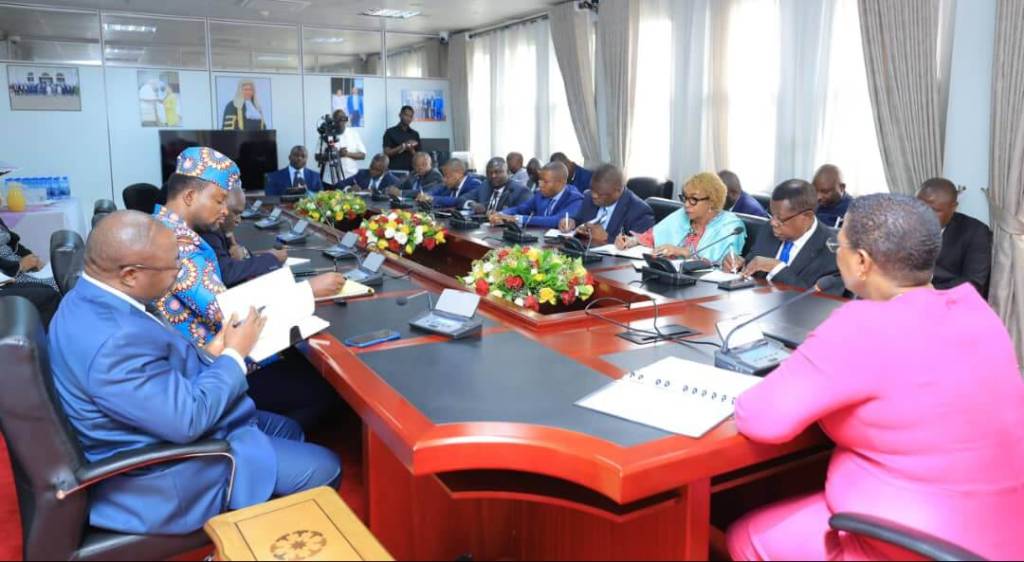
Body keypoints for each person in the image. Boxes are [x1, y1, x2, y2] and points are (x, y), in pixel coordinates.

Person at [726, 194, 1024, 561]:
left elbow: (761, 419)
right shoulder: (978, 312)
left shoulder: (862, 324)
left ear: (862, 262)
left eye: (841, 245)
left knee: (746, 536)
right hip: (1002, 536)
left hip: (910, 542)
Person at [47, 210, 341, 536]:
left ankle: (266, 506)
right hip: (165, 476)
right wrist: (234, 353)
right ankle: (258, 544)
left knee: (289, 430)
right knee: (327, 469)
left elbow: (155, 371)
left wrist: (213, 349)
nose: (178, 274)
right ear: (130, 274)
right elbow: (187, 421)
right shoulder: (114, 341)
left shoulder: (90, 296)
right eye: (172, 266)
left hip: (161, 422)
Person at [154, 147, 346, 428]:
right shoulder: (178, 245)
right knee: (323, 389)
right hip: (212, 369)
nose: (224, 211)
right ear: (190, 196)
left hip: (205, 358)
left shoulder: (164, 228)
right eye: (219, 201)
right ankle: (255, 439)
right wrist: (308, 291)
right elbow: (230, 315)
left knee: (301, 362)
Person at [722, 179, 839, 291]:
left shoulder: (832, 251)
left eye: (780, 218)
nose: (773, 223)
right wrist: (739, 265)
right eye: (772, 215)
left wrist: (776, 268)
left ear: (807, 217)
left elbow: (818, 299)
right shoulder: (768, 229)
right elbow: (753, 265)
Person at [616, 172, 746, 263]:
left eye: (693, 199)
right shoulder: (683, 214)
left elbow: (722, 264)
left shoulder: (731, 226)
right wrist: (630, 241)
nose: (686, 204)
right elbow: (651, 237)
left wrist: (682, 252)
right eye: (685, 198)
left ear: (712, 202)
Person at [916, 177, 992, 297]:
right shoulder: (904, 226)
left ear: (953, 207)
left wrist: (926, 293)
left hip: (951, 304)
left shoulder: (975, 231)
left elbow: (973, 282)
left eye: (934, 210)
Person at [201, 186, 284, 288]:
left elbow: (239, 252)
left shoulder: (221, 230)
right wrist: (271, 258)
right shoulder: (208, 232)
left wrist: (235, 243)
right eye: (235, 213)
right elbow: (227, 273)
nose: (238, 220)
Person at [559, 163, 656, 246]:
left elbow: (642, 247)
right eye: (592, 190)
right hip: (584, 254)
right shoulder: (589, 197)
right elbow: (578, 219)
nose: (594, 195)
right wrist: (571, 222)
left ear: (618, 190)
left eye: (600, 194)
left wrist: (607, 238)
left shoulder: (639, 211)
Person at [0, 216, 61, 327]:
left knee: (60, 280)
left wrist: (31, 257)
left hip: (15, 267)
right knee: (53, 290)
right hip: (7, 276)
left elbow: (13, 243)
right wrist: (20, 266)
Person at [491, 162, 584, 229]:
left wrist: (517, 219)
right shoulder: (540, 194)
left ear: (561, 182)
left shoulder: (575, 199)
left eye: (545, 182)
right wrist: (501, 214)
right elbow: (521, 208)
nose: (540, 184)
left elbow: (555, 221)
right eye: (540, 180)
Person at [464, 157, 532, 214]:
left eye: (497, 172)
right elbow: (462, 199)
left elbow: (523, 213)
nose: (493, 176)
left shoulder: (521, 191)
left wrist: (501, 215)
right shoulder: (485, 186)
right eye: (489, 173)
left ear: (507, 172)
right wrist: (472, 204)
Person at [320, 109, 367, 187]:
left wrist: (347, 154)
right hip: (329, 180)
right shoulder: (326, 134)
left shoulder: (353, 134)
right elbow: (318, 157)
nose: (340, 122)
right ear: (333, 121)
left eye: (343, 119)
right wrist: (337, 154)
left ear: (346, 120)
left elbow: (363, 155)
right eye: (337, 119)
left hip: (350, 177)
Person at [415, 158, 482, 209]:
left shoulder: (474, 184)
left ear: (459, 173)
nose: (444, 179)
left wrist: (431, 198)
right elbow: (436, 190)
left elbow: (459, 200)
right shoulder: (450, 185)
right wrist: (425, 195)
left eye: (447, 176)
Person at [813, 164, 853, 228]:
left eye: (825, 192)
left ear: (842, 187)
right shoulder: (811, 204)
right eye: (815, 191)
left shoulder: (853, 211)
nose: (818, 197)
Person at [383, 106, 421, 171]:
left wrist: (411, 149)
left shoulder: (415, 134)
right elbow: (386, 152)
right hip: (394, 170)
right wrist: (403, 146)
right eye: (406, 115)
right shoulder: (390, 132)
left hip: (411, 170)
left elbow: (418, 157)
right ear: (400, 115)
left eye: (411, 116)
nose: (408, 118)